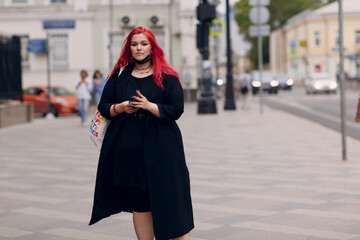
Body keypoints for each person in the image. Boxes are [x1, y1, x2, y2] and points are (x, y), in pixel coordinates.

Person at [89, 26, 194, 240]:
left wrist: (149, 106)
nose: (139, 48)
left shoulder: (167, 76)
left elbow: (176, 110)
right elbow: (103, 106)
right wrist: (121, 107)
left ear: (152, 47)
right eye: (134, 44)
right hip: (129, 153)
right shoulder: (119, 75)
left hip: (163, 151)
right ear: (129, 47)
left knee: (171, 201)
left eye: (144, 44)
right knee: (140, 204)